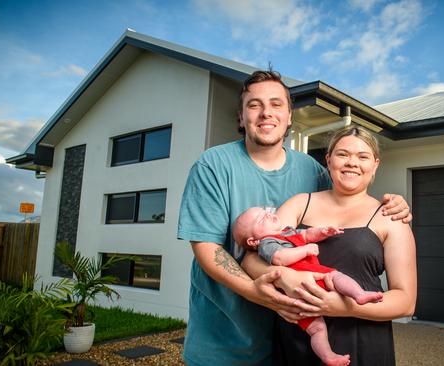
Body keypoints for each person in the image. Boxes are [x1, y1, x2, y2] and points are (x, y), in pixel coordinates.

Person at [177, 70, 412, 366]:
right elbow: (208, 250)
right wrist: (261, 291)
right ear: (241, 117)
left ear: (289, 116)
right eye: (254, 105)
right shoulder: (213, 165)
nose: (266, 113)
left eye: (277, 104)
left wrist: (392, 204)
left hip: (290, 337)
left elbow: (347, 200)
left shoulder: (312, 172)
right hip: (227, 339)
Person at [243, 125, 417, 366]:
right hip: (297, 336)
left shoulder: (390, 218)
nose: (351, 163)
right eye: (343, 154)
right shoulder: (299, 204)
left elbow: (406, 301)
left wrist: (345, 307)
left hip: (362, 340)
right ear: (328, 159)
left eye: (363, 156)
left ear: (375, 164)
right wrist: (284, 276)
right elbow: (252, 258)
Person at [233, 206, 384, 366]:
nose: (269, 215)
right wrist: (305, 250)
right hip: (302, 287)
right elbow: (280, 259)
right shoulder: (266, 243)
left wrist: (323, 232)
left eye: (266, 212)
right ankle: (329, 352)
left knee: (320, 321)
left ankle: (358, 296)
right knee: (332, 288)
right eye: (261, 218)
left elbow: (305, 234)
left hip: (309, 284)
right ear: (253, 241)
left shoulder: (287, 232)